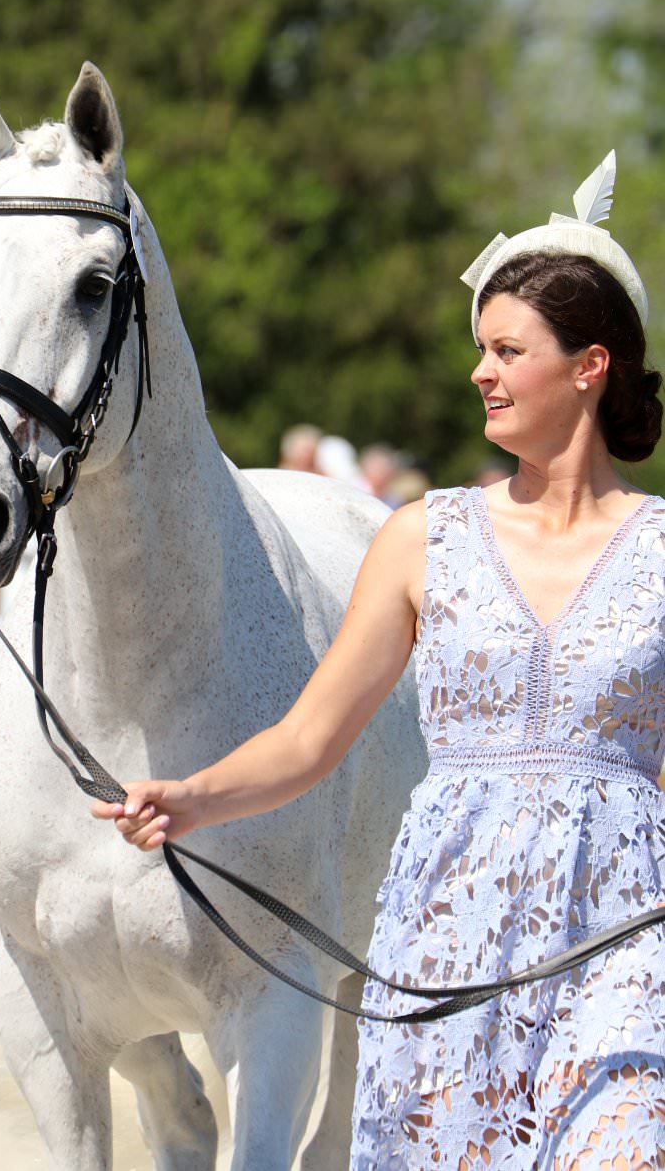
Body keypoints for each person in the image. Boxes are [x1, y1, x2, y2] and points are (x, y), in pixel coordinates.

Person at [92, 151, 665, 1167]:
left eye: (506, 349)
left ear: (588, 365)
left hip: (619, 934)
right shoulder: (423, 538)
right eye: (478, 348)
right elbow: (311, 736)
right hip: (449, 931)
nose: (478, 371)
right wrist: (193, 795)